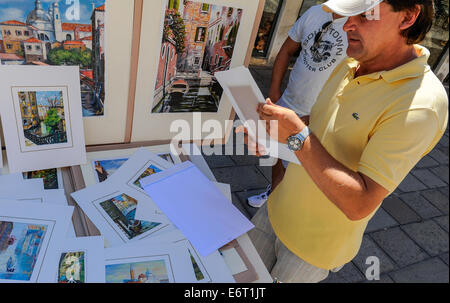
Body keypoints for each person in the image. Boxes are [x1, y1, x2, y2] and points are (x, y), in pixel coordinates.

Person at [240, 0, 448, 283]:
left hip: (314, 247)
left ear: (408, 16)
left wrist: (296, 136)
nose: (347, 25)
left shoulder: (422, 105)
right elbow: (319, 129)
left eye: (364, 15)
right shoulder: (350, 63)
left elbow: (360, 203)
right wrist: (273, 137)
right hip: (275, 209)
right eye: (349, 14)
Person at [247, 4, 349, 208]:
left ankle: (285, 205)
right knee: (277, 154)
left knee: (300, 167)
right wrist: (275, 91)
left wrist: (320, 116)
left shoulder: (358, 24)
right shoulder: (315, 12)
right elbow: (286, 50)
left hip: (319, 115)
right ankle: (274, 193)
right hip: (290, 102)